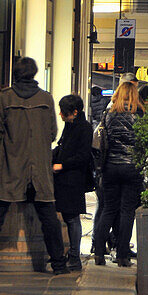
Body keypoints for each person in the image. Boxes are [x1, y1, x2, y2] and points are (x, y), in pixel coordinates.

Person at [0, 57, 67, 276]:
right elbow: (53, 132)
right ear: (34, 73)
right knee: (48, 216)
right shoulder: (46, 98)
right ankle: (59, 265)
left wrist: (6, 150)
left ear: (15, 73)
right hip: (39, 167)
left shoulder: (5, 98)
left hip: (10, 164)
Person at [93, 80, 145, 268]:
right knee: (127, 212)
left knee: (108, 209)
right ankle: (123, 255)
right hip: (132, 168)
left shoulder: (108, 114)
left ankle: (99, 252)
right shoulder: (139, 114)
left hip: (110, 167)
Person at [52, 94, 93, 271]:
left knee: (72, 218)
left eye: (64, 112)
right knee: (70, 217)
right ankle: (72, 255)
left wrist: (62, 164)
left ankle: (74, 256)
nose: (61, 115)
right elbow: (63, 148)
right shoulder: (71, 126)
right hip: (65, 177)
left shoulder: (83, 128)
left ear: (74, 112)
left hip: (73, 178)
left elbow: (82, 156)